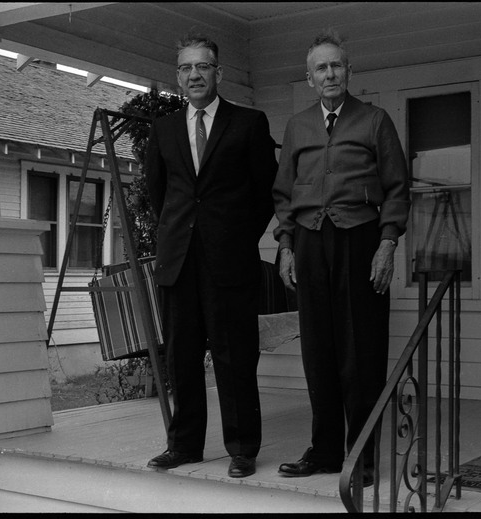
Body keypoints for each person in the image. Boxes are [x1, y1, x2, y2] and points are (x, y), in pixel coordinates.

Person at [272, 30, 410, 486]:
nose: (330, 74)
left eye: (337, 66)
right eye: (321, 68)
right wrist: (287, 245)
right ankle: (325, 450)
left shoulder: (374, 120)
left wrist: (387, 243)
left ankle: (362, 455)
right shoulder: (298, 126)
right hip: (310, 243)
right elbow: (284, 193)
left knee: (361, 352)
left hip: (359, 242)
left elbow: (396, 188)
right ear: (309, 78)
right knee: (319, 351)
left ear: (348, 71)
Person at [144, 33, 278, 478]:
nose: (195, 75)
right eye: (186, 68)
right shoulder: (163, 129)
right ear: (178, 77)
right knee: (180, 355)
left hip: (229, 261)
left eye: (203, 67)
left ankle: (242, 448)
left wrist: (237, 238)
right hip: (178, 261)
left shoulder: (249, 123)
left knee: (234, 355)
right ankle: (184, 445)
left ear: (218, 73)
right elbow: (158, 194)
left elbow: (266, 194)